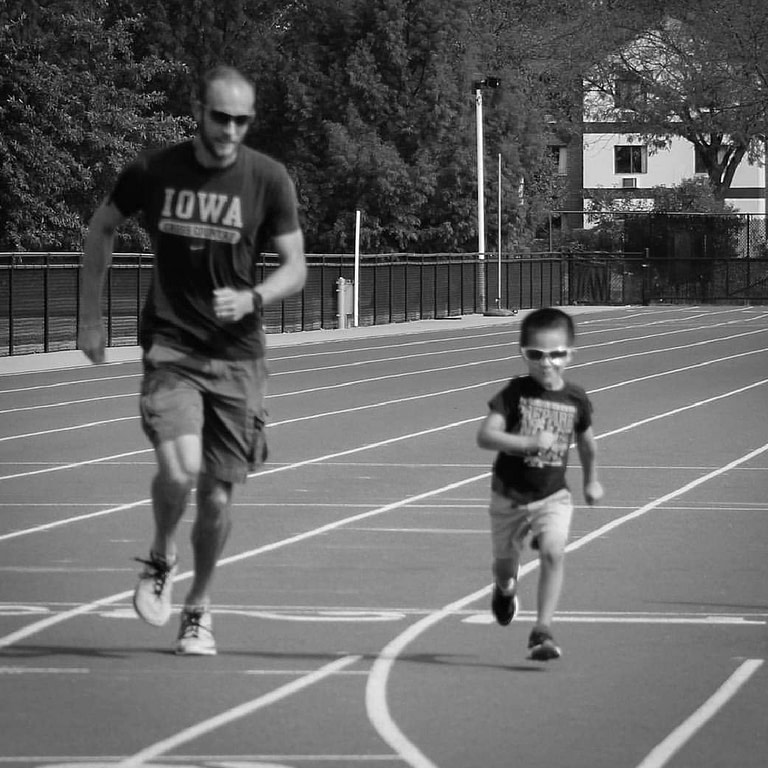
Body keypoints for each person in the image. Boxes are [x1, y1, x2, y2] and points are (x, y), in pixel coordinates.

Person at [78, 65, 306, 656]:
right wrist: (90, 317)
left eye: (242, 120)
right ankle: (161, 555)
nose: (231, 130)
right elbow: (100, 228)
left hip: (238, 358)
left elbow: (296, 268)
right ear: (198, 111)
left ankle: (199, 607)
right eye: (221, 117)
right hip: (173, 346)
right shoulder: (154, 170)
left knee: (219, 496)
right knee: (180, 472)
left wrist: (254, 296)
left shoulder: (268, 179)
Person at [476, 307, 603, 660]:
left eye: (556, 354)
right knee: (505, 564)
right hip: (509, 495)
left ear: (570, 354)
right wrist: (529, 443)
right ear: (523, 354)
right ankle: (504, 589)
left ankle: (542, 630)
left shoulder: (575, 398)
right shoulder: (515, 394)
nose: (546, 364)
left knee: (552, 551)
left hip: (552, 495)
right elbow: (486, 436)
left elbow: (588, 444)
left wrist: (592, 481)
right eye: (536, 355)